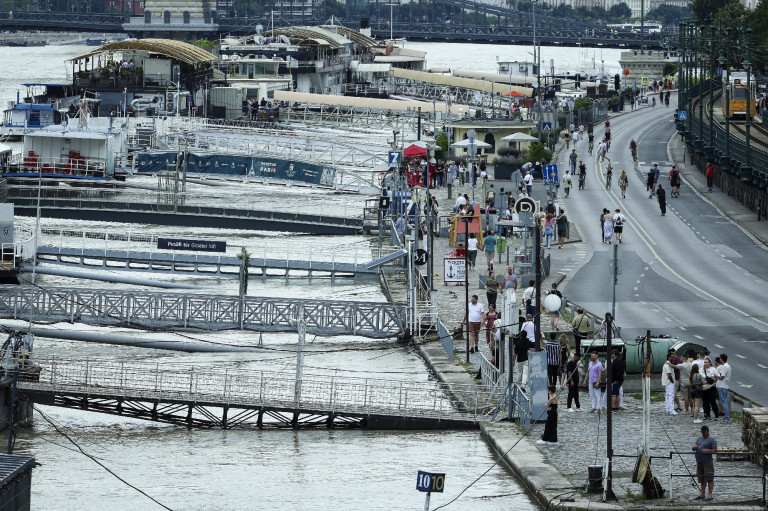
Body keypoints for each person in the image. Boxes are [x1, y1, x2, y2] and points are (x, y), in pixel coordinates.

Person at [693, 425, 717, 501]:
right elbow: (694, 447)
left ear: (707, 431)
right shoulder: (699, 439)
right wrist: (694, 447)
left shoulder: (712, 440)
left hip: (707, 462)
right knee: (702, 478)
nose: (703, 434)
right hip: (699, 461)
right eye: (702, 432)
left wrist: (708, 450)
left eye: (704, 432)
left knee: (709, 478)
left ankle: (710, 494)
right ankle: (702, 493)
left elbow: (715, 450)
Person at [715, 353, 731, 423]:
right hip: (724, 386)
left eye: (720, 358)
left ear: (722, 359)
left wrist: (716, 376)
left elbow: (721, 377)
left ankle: (727, 417)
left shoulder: (724, 367)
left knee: (723, 402)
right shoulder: (727, 366)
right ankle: (726, 416)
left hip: (722, 386)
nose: (719, 359)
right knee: (723, 401)